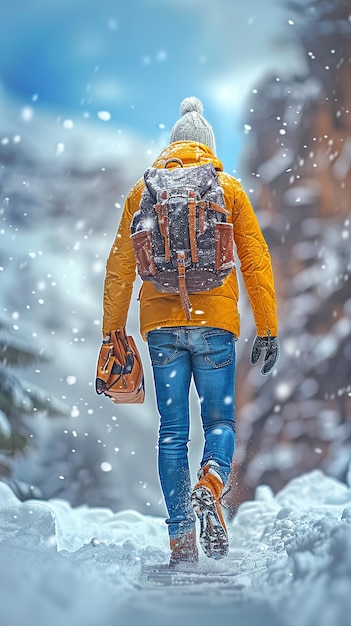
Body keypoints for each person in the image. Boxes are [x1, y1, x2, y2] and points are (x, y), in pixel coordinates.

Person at [102, 97, 279, 566]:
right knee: (219, 423)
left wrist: (112, 333)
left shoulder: (143, 192)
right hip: (216, 326)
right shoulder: (229, 189)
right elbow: (256, 260)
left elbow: (120, 268)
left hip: (161, 328)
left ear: (173, 145)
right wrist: (268, 328)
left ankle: (181, 541)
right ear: (208, 147)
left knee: (172, 432)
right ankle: (211, 484)